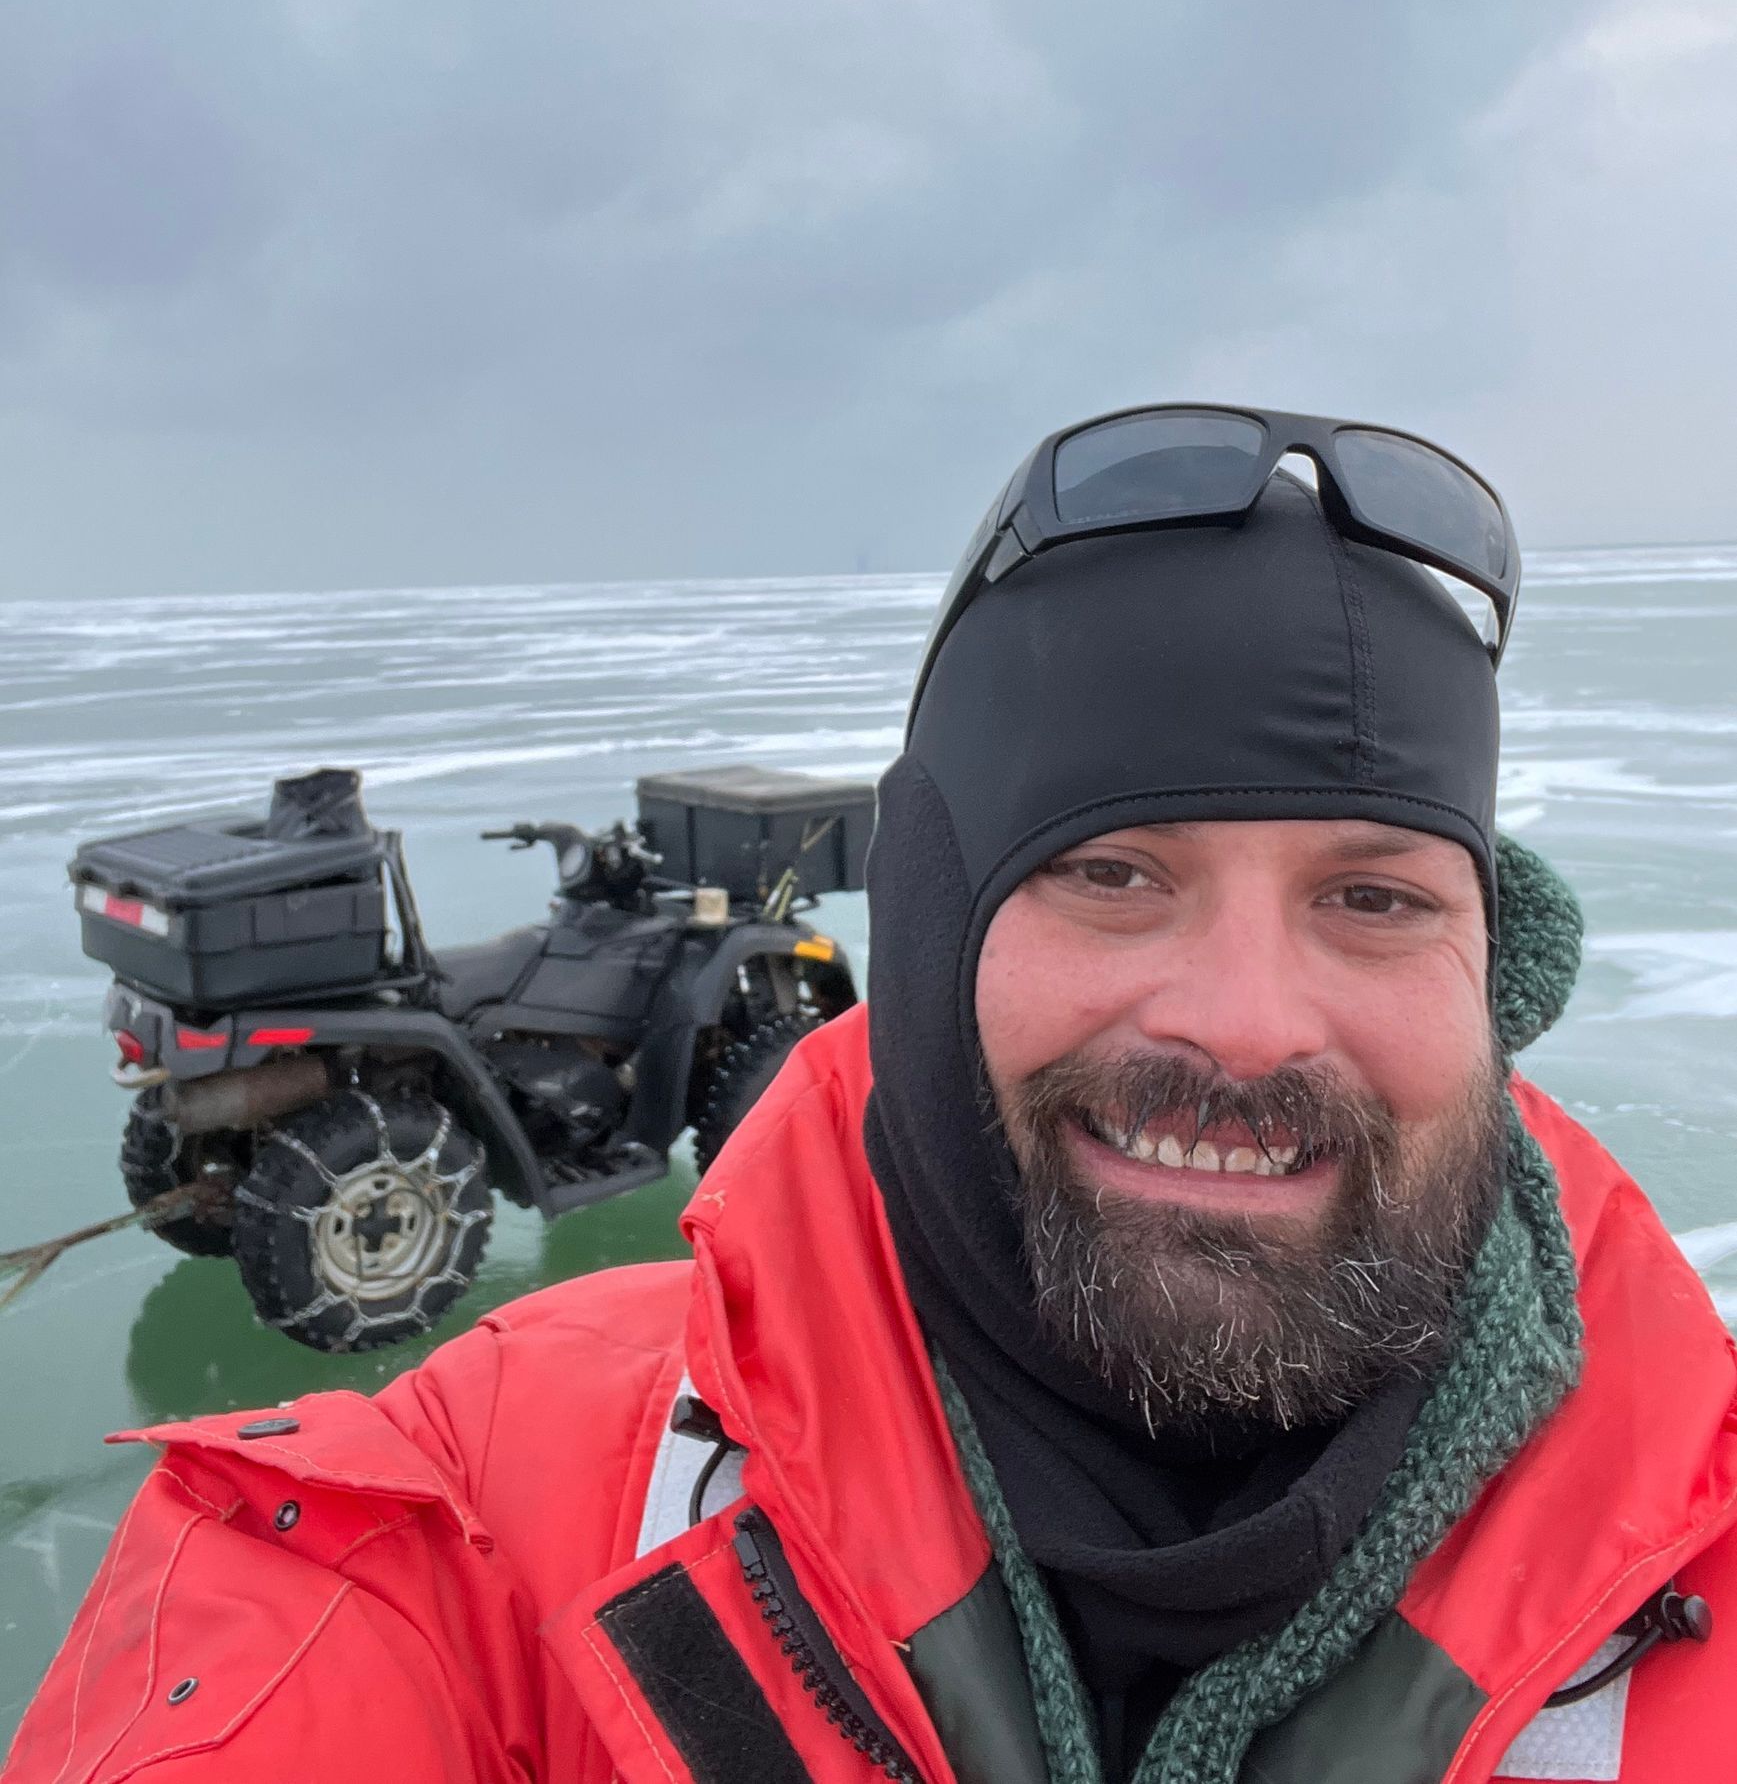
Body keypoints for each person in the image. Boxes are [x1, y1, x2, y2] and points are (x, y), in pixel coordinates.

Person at [8, 404, 1735, 1784]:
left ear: (1497, 975)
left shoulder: (1695, 1537)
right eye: (1112, 875)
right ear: (924, 932)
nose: (1244, 1024)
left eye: (1373, 899)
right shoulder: (439, 1526)